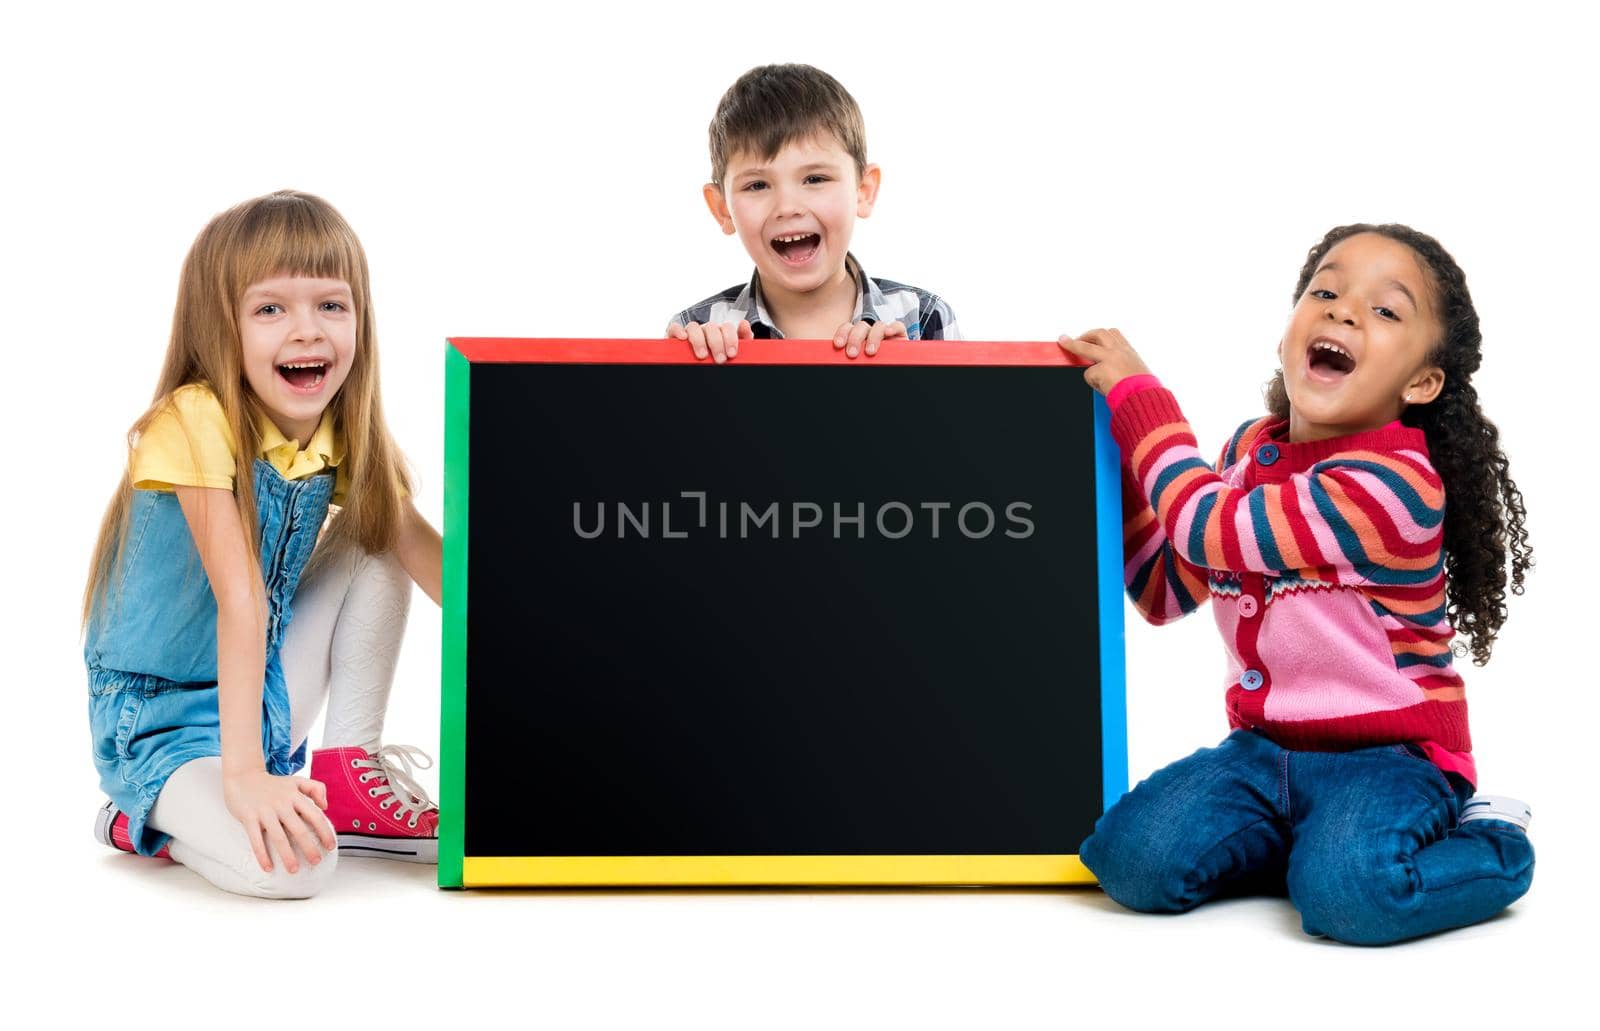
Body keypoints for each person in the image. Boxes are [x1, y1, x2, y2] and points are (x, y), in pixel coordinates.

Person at [1059, 223, 1534, 944]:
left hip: (1388, 757)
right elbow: (1163, 588)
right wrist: (1109, 456)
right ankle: (1304, 842)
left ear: (1422, 381)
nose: (1344, 310)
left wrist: (1140, 402)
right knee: (1130, 862)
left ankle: (1493, 840)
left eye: (1385, 310)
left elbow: (1206, 525)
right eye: (1326, 290)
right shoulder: (1249, 452)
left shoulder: (1396, 486)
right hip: (1262, 750)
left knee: (1351, 898)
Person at [84, 190, 444, 898]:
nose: (307, 331)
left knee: (376, 535)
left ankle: (345, 769)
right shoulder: (193, 417)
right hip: (159, 724)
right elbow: (240, 597)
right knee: (302, 869)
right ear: (222, 327)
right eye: (271, 308)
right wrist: (245, 779)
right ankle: (146, 814)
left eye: (331, 305)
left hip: (265, 699)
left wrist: (546, 640)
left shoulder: (346, 432)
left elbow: (430, 562)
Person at [667, 63, 958, 361]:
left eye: (815, 179)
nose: (788, 207)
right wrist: (695, 378)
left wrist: (909, 379)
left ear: (864, 191)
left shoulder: (924, 321)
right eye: (757, 185)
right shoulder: (698, 331)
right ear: (722, 209)